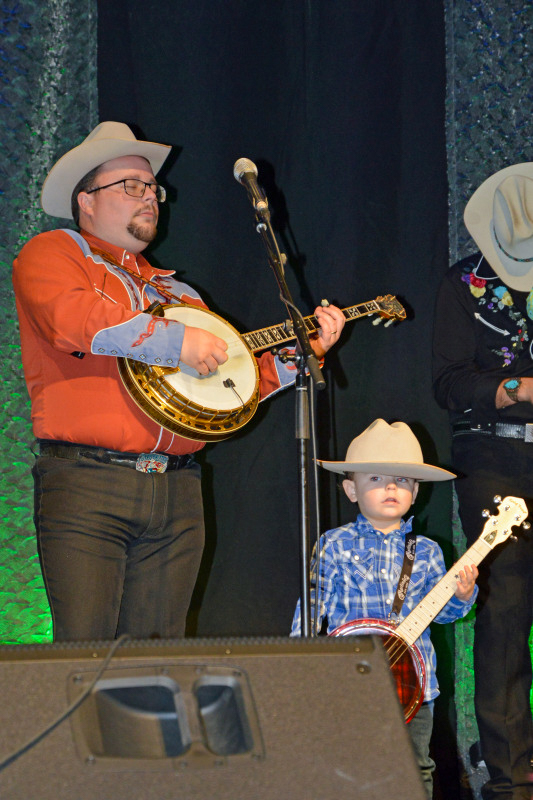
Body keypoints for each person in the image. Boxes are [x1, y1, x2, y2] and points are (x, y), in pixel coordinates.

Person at [12, 121, 345, 642]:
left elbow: (231, 383)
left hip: (179, 489)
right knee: (83, 656)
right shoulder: (54, 253)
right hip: (88, 484)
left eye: (154, 189)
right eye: (132, 186)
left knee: (158, 661)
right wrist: (176, 342)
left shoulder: (179, 293)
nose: (151, 198)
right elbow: (69, 317)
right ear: (87, 201)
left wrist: (303, 354)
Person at [290, 418, 478, 798]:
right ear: (351, 490)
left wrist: (462, 594)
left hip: (415, 687)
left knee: (415, 766)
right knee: (349, 766)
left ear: (416, 492)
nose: (391, 487)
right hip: (350, 683)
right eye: (376, 478)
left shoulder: (427, 551)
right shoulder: (333, 544)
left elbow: (442, 614)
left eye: (402, 480)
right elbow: (310, 607)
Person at [433, 163, 533, 800]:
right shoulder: (461, 283)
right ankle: (509, 775)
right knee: (504, 612)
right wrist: (516, 388)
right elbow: (447, 385)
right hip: (493, 456)